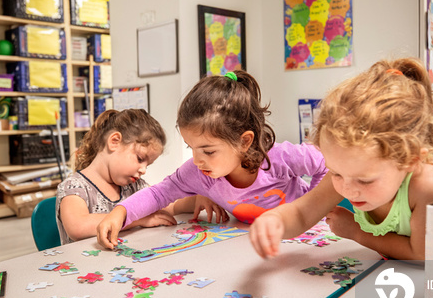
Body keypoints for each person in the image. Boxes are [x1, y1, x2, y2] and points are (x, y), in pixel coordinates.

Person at [250, 58, 433, 261]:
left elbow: (421, 256)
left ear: (412, 160)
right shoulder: (349, 172)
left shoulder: (431, 187)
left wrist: (357, 232)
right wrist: (274, 220)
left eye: (365, 180)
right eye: (335, 173)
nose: (347, 189)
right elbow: (301, 213)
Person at [96, 70, 330, 249]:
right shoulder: (199, 172)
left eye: (208, 151)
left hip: (307, 238)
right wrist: (120, 213)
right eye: (191, 148)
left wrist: (313, 207)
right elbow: (159, 193)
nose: (197, 160)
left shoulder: (278, 158)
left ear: (244, 141)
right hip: (254, 244)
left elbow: (326, 162)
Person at [56, 108, 225, 244]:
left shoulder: (133, 186)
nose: (143, 170)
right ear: (114, 141)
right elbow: (77, 226)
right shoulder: (74, 186)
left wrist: (198, 199)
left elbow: (169, 206)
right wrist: (138, 219)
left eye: (147, 165)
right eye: (140, 159)